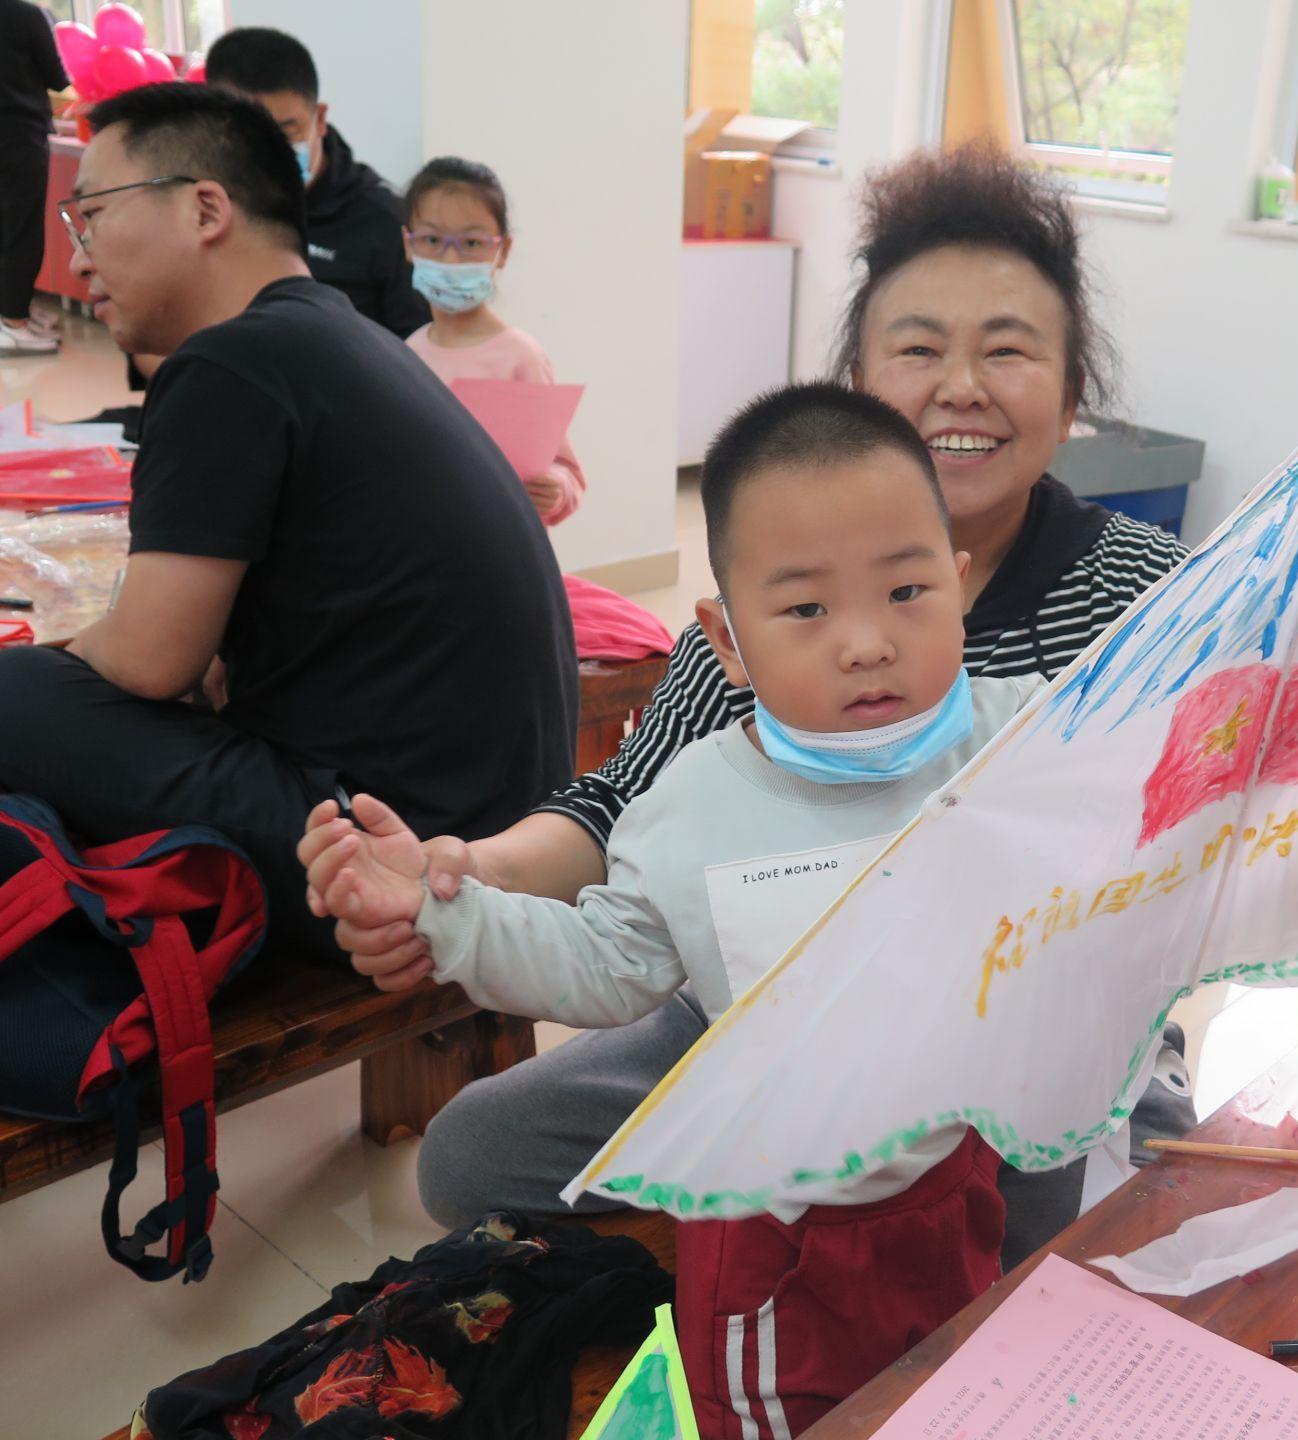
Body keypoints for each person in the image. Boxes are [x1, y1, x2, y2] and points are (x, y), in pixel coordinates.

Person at [340, 145, 1196, 1261]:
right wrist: (465, 874)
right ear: (856, 383)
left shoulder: (1141, 592)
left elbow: (1210, 821)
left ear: (1074, 391)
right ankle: (779, 1243)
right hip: (767, 1001)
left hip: (1039, 1026)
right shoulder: (760, 607)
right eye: (920, 347)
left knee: (1137, 1218)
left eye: (1010, 350)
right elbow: (624, 810)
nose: (963, 386)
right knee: (469, 1158)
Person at [302, 384, 1023, 1437]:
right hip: (773, 1220)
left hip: (954, 1181)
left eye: (907, 591)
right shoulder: (699, 805)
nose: (867, 643)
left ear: (959, 589)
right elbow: (603, 959)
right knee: (780, 1415)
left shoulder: (1020, 739)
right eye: (808, 609)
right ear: (727, 643)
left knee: (946, 1386)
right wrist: (440, 911)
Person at [0, 83, 576, 963]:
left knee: (21, 691)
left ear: (204, 208)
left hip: (395, 849)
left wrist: (66, 661)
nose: (77, 261)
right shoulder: (349, 338)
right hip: (505, 823)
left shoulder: (228, 363)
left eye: (91, 218)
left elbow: (151, 661)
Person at [204, 27, 428, 338]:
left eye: (286, 131)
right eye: (245, 135)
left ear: (319, 119)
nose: (267, 152)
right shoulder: (203, 204)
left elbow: (420, 353)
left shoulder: (387, 220)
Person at [402, 157, 585, 525]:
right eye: (433, 240)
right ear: (409, 244)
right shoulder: (409, 352)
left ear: (502, 250)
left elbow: (566, 472)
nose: (451, 258)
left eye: (471, 242)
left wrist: (555, 488)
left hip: (502, 546)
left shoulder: (520, 356)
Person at [0, 0, 66, 355]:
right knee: (22, 227)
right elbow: (58, 76)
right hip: (18, 133)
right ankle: (13, 321)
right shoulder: (25, 14)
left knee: (6, 226)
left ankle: (13, 312)